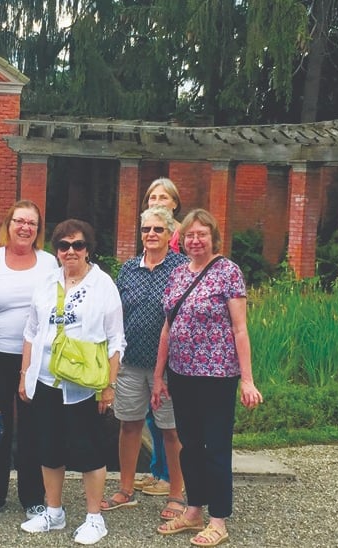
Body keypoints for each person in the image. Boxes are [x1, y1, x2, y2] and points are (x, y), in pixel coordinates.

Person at [153, 209, 263, 547]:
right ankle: (194, 509)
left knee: (216, 447)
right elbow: (167, 329)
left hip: (217, 375)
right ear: (182, 240)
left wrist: (247, 379)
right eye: (189, 235)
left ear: (213, 237)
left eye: (202, 234)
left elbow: (240, 328)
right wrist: (158, 376)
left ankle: (218, 519)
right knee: (190, 447)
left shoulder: (228, 272)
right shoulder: (177, 276)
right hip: (182, 373)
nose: (195, 240)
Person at [19, 219, 125, 546]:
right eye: (64, 246)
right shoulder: (47, 281)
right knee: (49, 448)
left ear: (88, 248)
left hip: (82, 384)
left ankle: (95, 517)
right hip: (47, 379)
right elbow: (31, 331)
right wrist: (26, 375)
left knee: (89, 450)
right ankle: (54, 511)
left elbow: (115, 339)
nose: (71, 252)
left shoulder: (102, 284)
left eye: (78, 245)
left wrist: (108, 385)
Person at [0, 200, 56, 519]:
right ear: (8, 224)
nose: (25, 228)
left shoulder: (50, 265)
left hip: (36, 360)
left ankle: (33, 496)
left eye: (31, 223)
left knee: (33, 428)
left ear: (38, 230)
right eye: (19, 221)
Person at [102, 206, 189, 520]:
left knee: (170, 429)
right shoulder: (128, 269)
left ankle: (176, 494)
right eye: (146, 230)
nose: (151, 235)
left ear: (169, 234)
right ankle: (125, 489)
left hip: (167, 366)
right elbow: (114, 312)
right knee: (129, 425)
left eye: (158, 229)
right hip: (130, 361)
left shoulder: (181, 267)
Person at [138, 177, 183, 496]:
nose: (157, 200)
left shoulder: (181, 238)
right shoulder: (149, 232)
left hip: (171, 348)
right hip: (142, 350)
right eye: (152, 196)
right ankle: (157, 471)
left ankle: (170, 478)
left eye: (163, 197)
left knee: (168, 419)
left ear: (175, 203)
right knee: (152, 418)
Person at [143, 177, 183, 254]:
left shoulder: (184, 234)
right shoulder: (147, 231)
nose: (156, 203)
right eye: (153, 198)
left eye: (163, 198)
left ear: (175, 203)